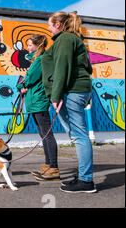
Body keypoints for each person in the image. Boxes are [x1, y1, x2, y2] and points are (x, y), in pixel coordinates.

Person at [41, 11, 96, 193]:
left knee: (79, 136)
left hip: (72, 92)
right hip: (75, 91)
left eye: (49, 24)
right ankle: (83, 176)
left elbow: (61, 68)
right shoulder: (69, 39)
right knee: (77, 135)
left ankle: (86, 181)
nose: (48, 28)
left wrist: (55, 96)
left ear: (58, 24)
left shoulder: (65, 39)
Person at [16, 34, 59, 181]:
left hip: (39, 100)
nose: (27, 48)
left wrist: (21, 85)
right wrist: (23, 84)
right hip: (34, 101)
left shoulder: (40, 60)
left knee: (47, 135)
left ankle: (53, 167)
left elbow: (29, 79)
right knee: (43, 135)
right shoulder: (36, 60)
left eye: (30, 45)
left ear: (38, 45)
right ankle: (48, 164)